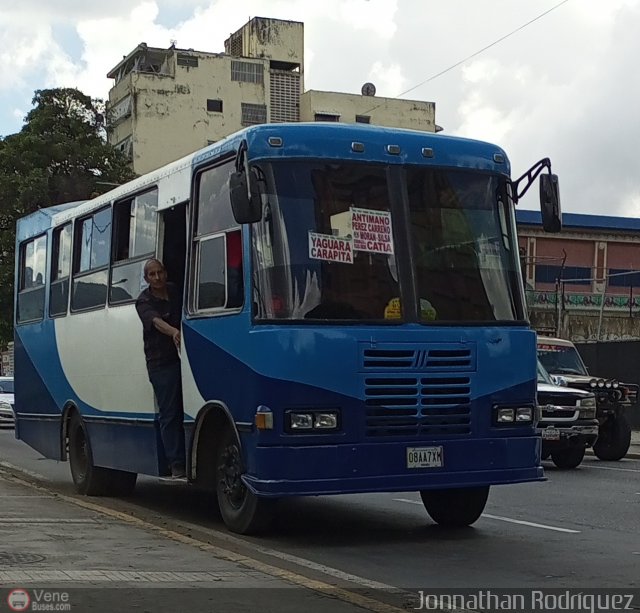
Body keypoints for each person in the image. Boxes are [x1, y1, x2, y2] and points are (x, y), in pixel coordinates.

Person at [135, 258, 186, 479]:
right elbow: (155, 322)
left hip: (183, 359)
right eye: (152, 275)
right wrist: (174, 332)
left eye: (160, 272)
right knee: (170, 413)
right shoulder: (144, 301)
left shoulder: (175, 291)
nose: (157, 278)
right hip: (160, 363)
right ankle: (176, 463)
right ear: (146, 279)